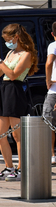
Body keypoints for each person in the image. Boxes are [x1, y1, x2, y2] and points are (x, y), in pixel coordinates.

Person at [0, 23, 38, 181]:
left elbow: (13, 74)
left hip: (15, 91)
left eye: (8, 39)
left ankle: (22, 168)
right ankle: (9, 167)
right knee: (0, 134)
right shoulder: (10, 54)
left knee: (17, 135)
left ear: (16, 37)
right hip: (5, 90)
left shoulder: (26, 54)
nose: (7, 42)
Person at [44, 21, 56, 166]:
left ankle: (52, 154)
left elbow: (48, 63)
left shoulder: (53, 45)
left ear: (52, 34)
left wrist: (48, 80)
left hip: (54, 90)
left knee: (47, 120)